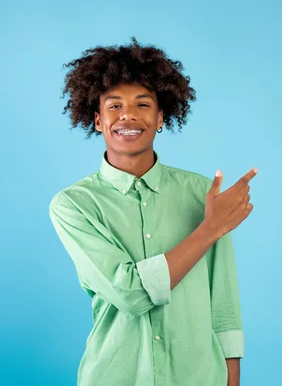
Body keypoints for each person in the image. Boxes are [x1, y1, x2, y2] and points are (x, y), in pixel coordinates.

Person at [48, 37, 257, 386]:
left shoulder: (202, 194)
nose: (128, 114)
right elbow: (130, 293)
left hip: (199, 376)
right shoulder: (73, 205)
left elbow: (223, 304)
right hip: (116, 375)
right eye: (114, 106)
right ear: (97, 120)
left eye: (142, 104)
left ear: (160, 118)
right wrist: (209, 229)